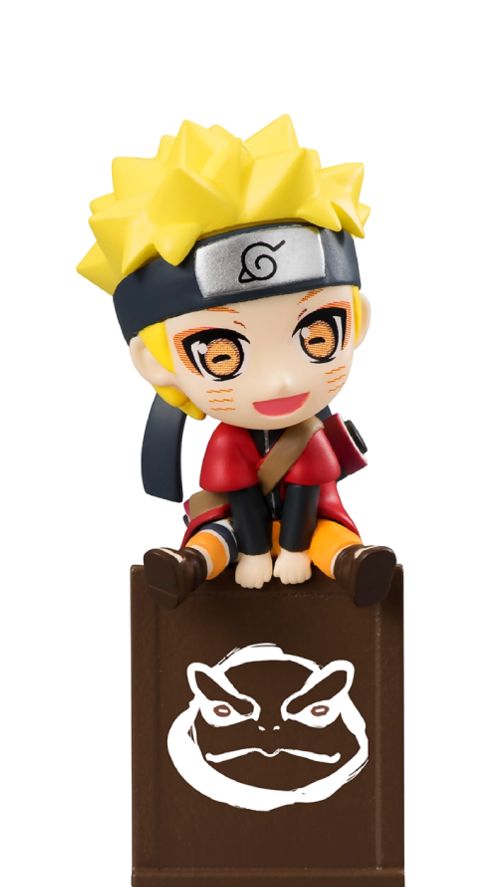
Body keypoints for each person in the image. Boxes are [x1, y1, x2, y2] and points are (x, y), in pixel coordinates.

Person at [74, 114, 397, 609]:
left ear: (360, 322)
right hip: (234, 527)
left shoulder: (308, 435)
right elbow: (240, 497)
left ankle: (354, 567)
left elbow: (309, 492)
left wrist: (292, 550)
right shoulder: (228, 441)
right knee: (215, 537)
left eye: (317, 334)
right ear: (154, 363)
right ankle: (187, 569)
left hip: (312, 525)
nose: (281, 379)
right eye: (222, 354)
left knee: (330, 537)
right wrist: (254, 552)